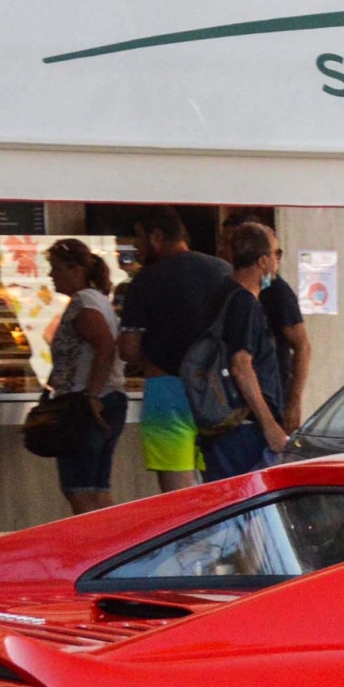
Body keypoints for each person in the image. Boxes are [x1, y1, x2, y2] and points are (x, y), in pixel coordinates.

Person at [115, 209, 229, 492]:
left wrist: (147, 358)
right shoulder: (224, 272)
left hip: (167, 390)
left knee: (177, 495)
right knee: (219, 487)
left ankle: (188, 538)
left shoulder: (144, 281)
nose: (137, 249)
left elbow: (128, 349)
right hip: (218, 391)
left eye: (139, 240)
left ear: (156, 236)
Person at [196, 221, 291, 482]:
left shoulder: (221, 295)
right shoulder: (244, 304)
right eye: (276, 255)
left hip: (223, 428)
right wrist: (270, 424)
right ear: (262, 261)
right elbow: (241, 365)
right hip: (244, 429)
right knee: (246, 509)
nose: (277, 262)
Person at [42, 238, 128, 514]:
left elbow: (104, 344)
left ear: (75, 269)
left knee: (79, 490)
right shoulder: (98, 300)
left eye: (55, 268)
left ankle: (99, 550)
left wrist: (90, 394)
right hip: (109, 400)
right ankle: (117, 547)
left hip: (85, 406)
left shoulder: (83, 303)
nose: (50, 275)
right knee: (97, 488)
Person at [254, 224, 315, 433]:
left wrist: (293, 402)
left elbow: (303, 346)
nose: (276, 259)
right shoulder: (233, 290)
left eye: (277, 253)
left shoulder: (277, 291)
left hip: (272, 399)